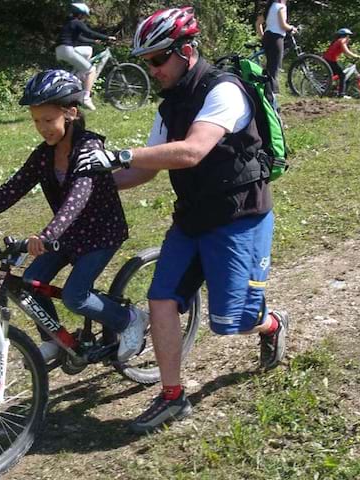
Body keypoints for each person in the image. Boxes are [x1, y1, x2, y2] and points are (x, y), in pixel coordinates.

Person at [73, 7, 289, 434]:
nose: (151, 70)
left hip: (238, 217)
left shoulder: (224, 91)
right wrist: (95, 184)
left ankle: (272, 323)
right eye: (146, 61)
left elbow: (191, 151)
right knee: (162, 299)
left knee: (232, 322)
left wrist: (120, 154)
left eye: (157, 59)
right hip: (191, 219)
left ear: (185, 51)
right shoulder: (169, 105)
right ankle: (173, 396)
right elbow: (147, 170)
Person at [0, 69, 147, 364]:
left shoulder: (89, 148)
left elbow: (77, 198)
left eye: (48, 120)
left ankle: (129, 319)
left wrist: (47, 235)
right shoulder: (44, 153)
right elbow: (13, 188)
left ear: (70, 113)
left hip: (101, 233)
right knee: (31, 282)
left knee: (75, 296)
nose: (42, 128)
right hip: (67, 234)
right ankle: (55, 342)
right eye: (36, 121)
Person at [55, 2, 117, 111]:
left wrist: (94, 41)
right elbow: (89, 32)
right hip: (67, 50)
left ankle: (79, 75)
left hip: (61, 50)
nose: (84, 18)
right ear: (80, 14)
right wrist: (107, 37)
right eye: (83, 16)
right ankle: (86, 97)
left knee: (88, 50)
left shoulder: (70, 23)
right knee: (91, 70)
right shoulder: (77, 22)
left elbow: (81, 38)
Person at [255, 0, 297, 94]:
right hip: (276, 38)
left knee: (269, 67)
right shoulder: (281, 7)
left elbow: (258, 24)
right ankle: (272, 93)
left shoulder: (270, 7)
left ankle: (267, 91)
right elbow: (283, 25)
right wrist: (292, 28)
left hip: (268, 37)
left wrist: (263, 37)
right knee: (274, 68)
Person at [322, 28, 360, 99]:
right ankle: (341, 94)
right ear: (346, 36)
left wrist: (351, 58)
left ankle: (330, 91)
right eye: (349, 36)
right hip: (330, 60)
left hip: (328, 60)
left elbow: (345, 53)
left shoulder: (338, 41)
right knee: (342, 76)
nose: (349, 38)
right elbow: (346, 51)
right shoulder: (342, 40)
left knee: (337, 76)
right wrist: (356, 56)